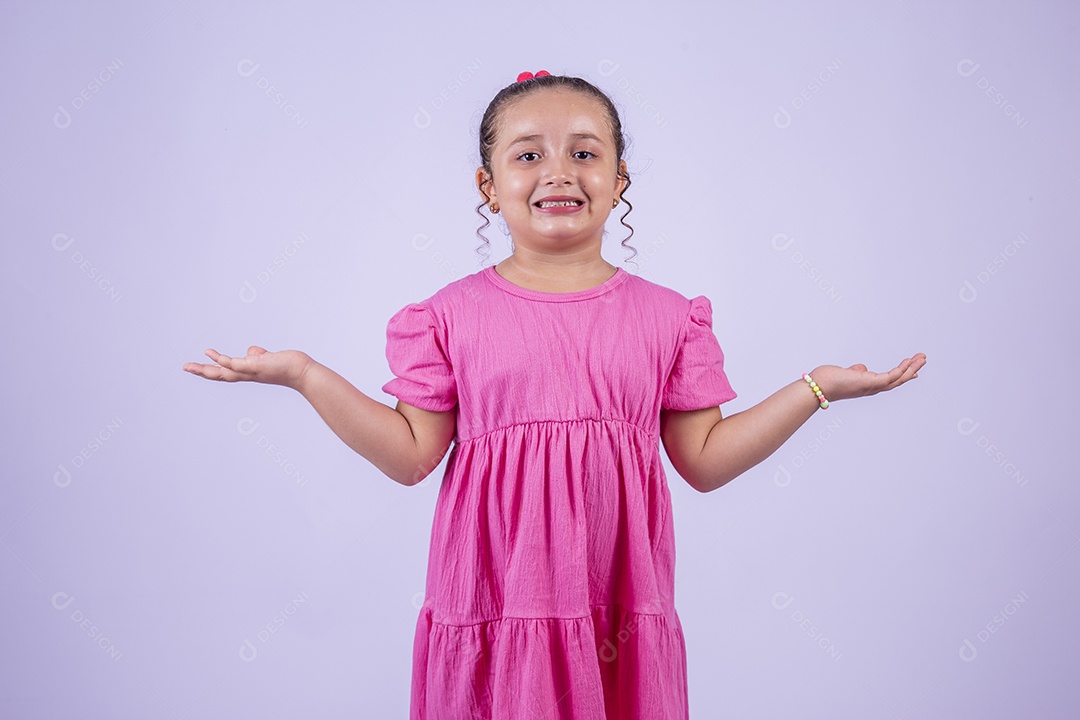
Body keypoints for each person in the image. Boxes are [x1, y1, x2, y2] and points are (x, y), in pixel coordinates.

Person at [183, 69, 926, 720]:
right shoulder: (446, 316)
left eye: (584, 152)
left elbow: (703, 460)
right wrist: (305, 374)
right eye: (528, 154)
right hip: (494, 602)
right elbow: (410, 456)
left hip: (616, 610)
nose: (559, 171)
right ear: (489, 184)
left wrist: (816, 388)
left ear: (619, 177)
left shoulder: (671, 318)